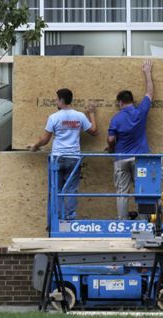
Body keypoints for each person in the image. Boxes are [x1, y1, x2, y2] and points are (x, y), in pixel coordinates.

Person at [27, 88, 98, 220]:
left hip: (58, 158)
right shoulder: (80, 116)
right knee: (71, 190)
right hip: (73, 158)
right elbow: (93, 131)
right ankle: (70, 217)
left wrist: (35, 146)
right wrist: (92, 114)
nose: (56, 101)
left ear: (62, 100)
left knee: (57, 189)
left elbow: (45, 139)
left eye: (57, 99)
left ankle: (58, 219)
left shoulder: (54, 117)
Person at [107, 59, 154, 220]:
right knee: (142, 189)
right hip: (140, 158)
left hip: (121, 158)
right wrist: (147, 72)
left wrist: (110, 147)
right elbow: (149, 93)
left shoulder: (116, 118)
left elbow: (111, 139)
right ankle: (143, 220)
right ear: (132, 100)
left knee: (122, 192)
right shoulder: (141, 111)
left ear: (120, 102)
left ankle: (122, 221)